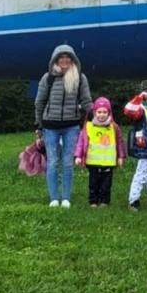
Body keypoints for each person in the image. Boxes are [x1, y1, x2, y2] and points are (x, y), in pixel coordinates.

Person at [34, 44, 93, 208]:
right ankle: (54, 198)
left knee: (68, 162)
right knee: (52, 162)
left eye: (68, 57)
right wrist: (38, 126)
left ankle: (66, 198)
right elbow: (39, 102)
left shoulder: (80, 78)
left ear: (73, 59)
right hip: (50, 127)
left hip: (71, 127)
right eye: (61, 57)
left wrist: (96, 117)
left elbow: (86, 101)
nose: (64, 60)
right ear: (55, 60)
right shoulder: (48, 78)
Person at [73, 97, 126, 207]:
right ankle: (93, 201)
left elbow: (119, 142)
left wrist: (121, 156)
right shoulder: (88, 126)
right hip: (93, 162)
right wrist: (78, 156)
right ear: (94, 112)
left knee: (106, 184)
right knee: (93, 183)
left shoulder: (114, 127)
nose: (102, 115)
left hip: (108, 162)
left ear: (109, 113)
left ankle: (104, 201)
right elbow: (81, 142)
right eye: (99, 112)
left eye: (105, 112)